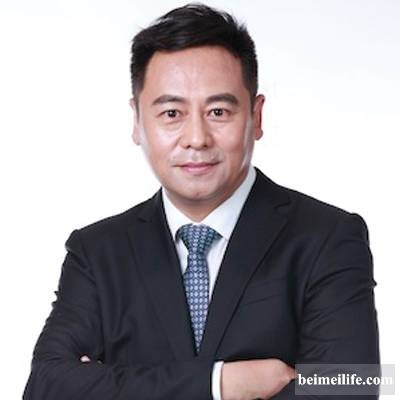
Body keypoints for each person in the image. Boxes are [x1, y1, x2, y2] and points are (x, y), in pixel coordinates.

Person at [23, 3, 379, 399]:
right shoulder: (97, 252)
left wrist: (114, 385)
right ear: (137, 121)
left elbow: (351, 386)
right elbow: (46, 386)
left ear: (256, 116)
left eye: (218, 111)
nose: (196, 138)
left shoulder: (328, 237)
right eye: (172, 112)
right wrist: (220, 384)